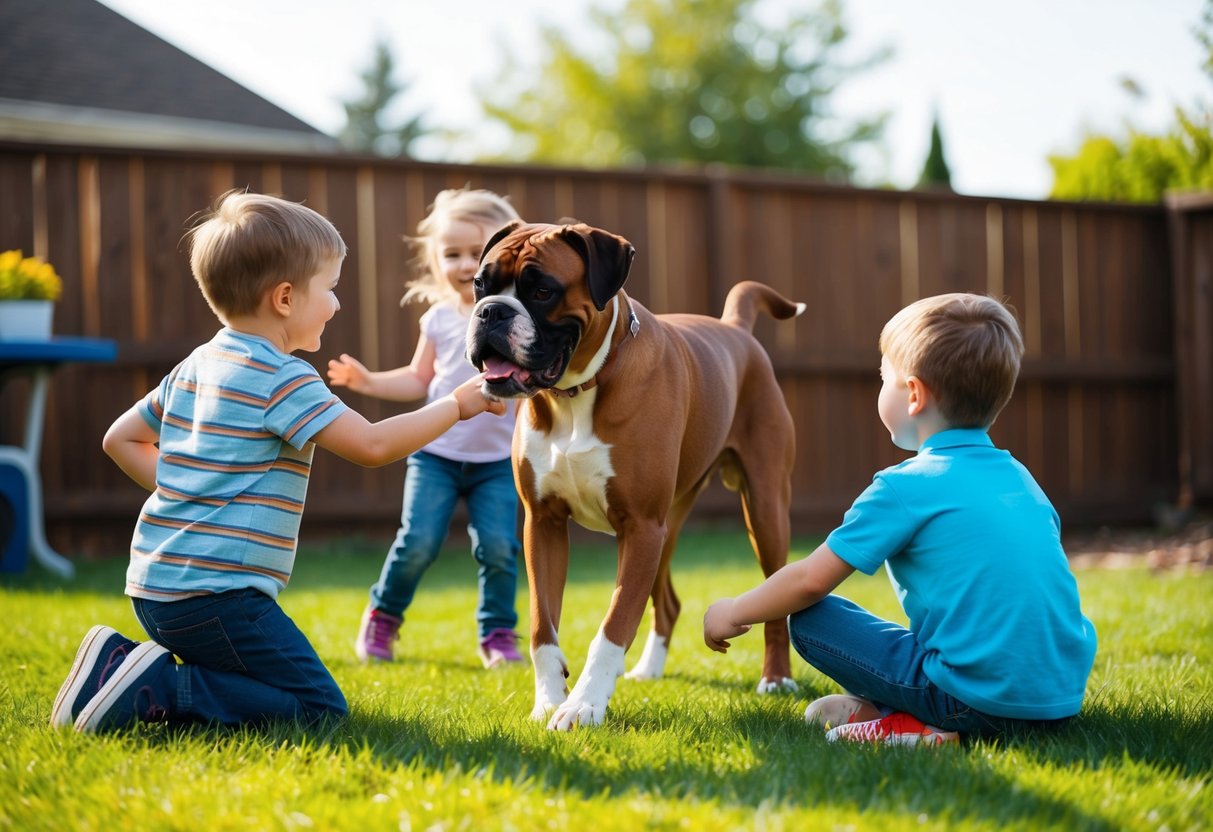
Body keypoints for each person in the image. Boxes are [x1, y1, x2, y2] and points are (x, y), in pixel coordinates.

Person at [50, 191, 505, 733]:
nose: (337, 304)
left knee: (269, 688)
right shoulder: (282, 378)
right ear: (285, 298)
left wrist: (182, 491)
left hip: (155, 588)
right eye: (330, 289)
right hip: (219, 599)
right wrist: (455, 405)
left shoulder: (199, 363)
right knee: (318, 709)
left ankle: (121, 664)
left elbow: (119, 439)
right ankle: (158, 685)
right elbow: (373, 446)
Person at [703, 292, 1097, 745]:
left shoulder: (905, 486)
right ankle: (890, 710)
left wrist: (732, 611)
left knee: (811, 618)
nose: (879, 387)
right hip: (1058, 700)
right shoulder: (1021, 479)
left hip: (967, 699)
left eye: (882, 377)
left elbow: (811, 580)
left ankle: (925, 726)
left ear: (912, 394)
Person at [326, 187, 525, 669]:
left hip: (498, 462)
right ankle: (383, 616)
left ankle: (498, 634)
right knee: (417, 542)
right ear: (436, 260)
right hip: (435, 454)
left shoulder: (519, 320)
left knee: (499, 548)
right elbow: (419, 378)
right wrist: (369, 380)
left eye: (475, 254)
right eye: (451, 253)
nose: (462, 265)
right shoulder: (438, 318)